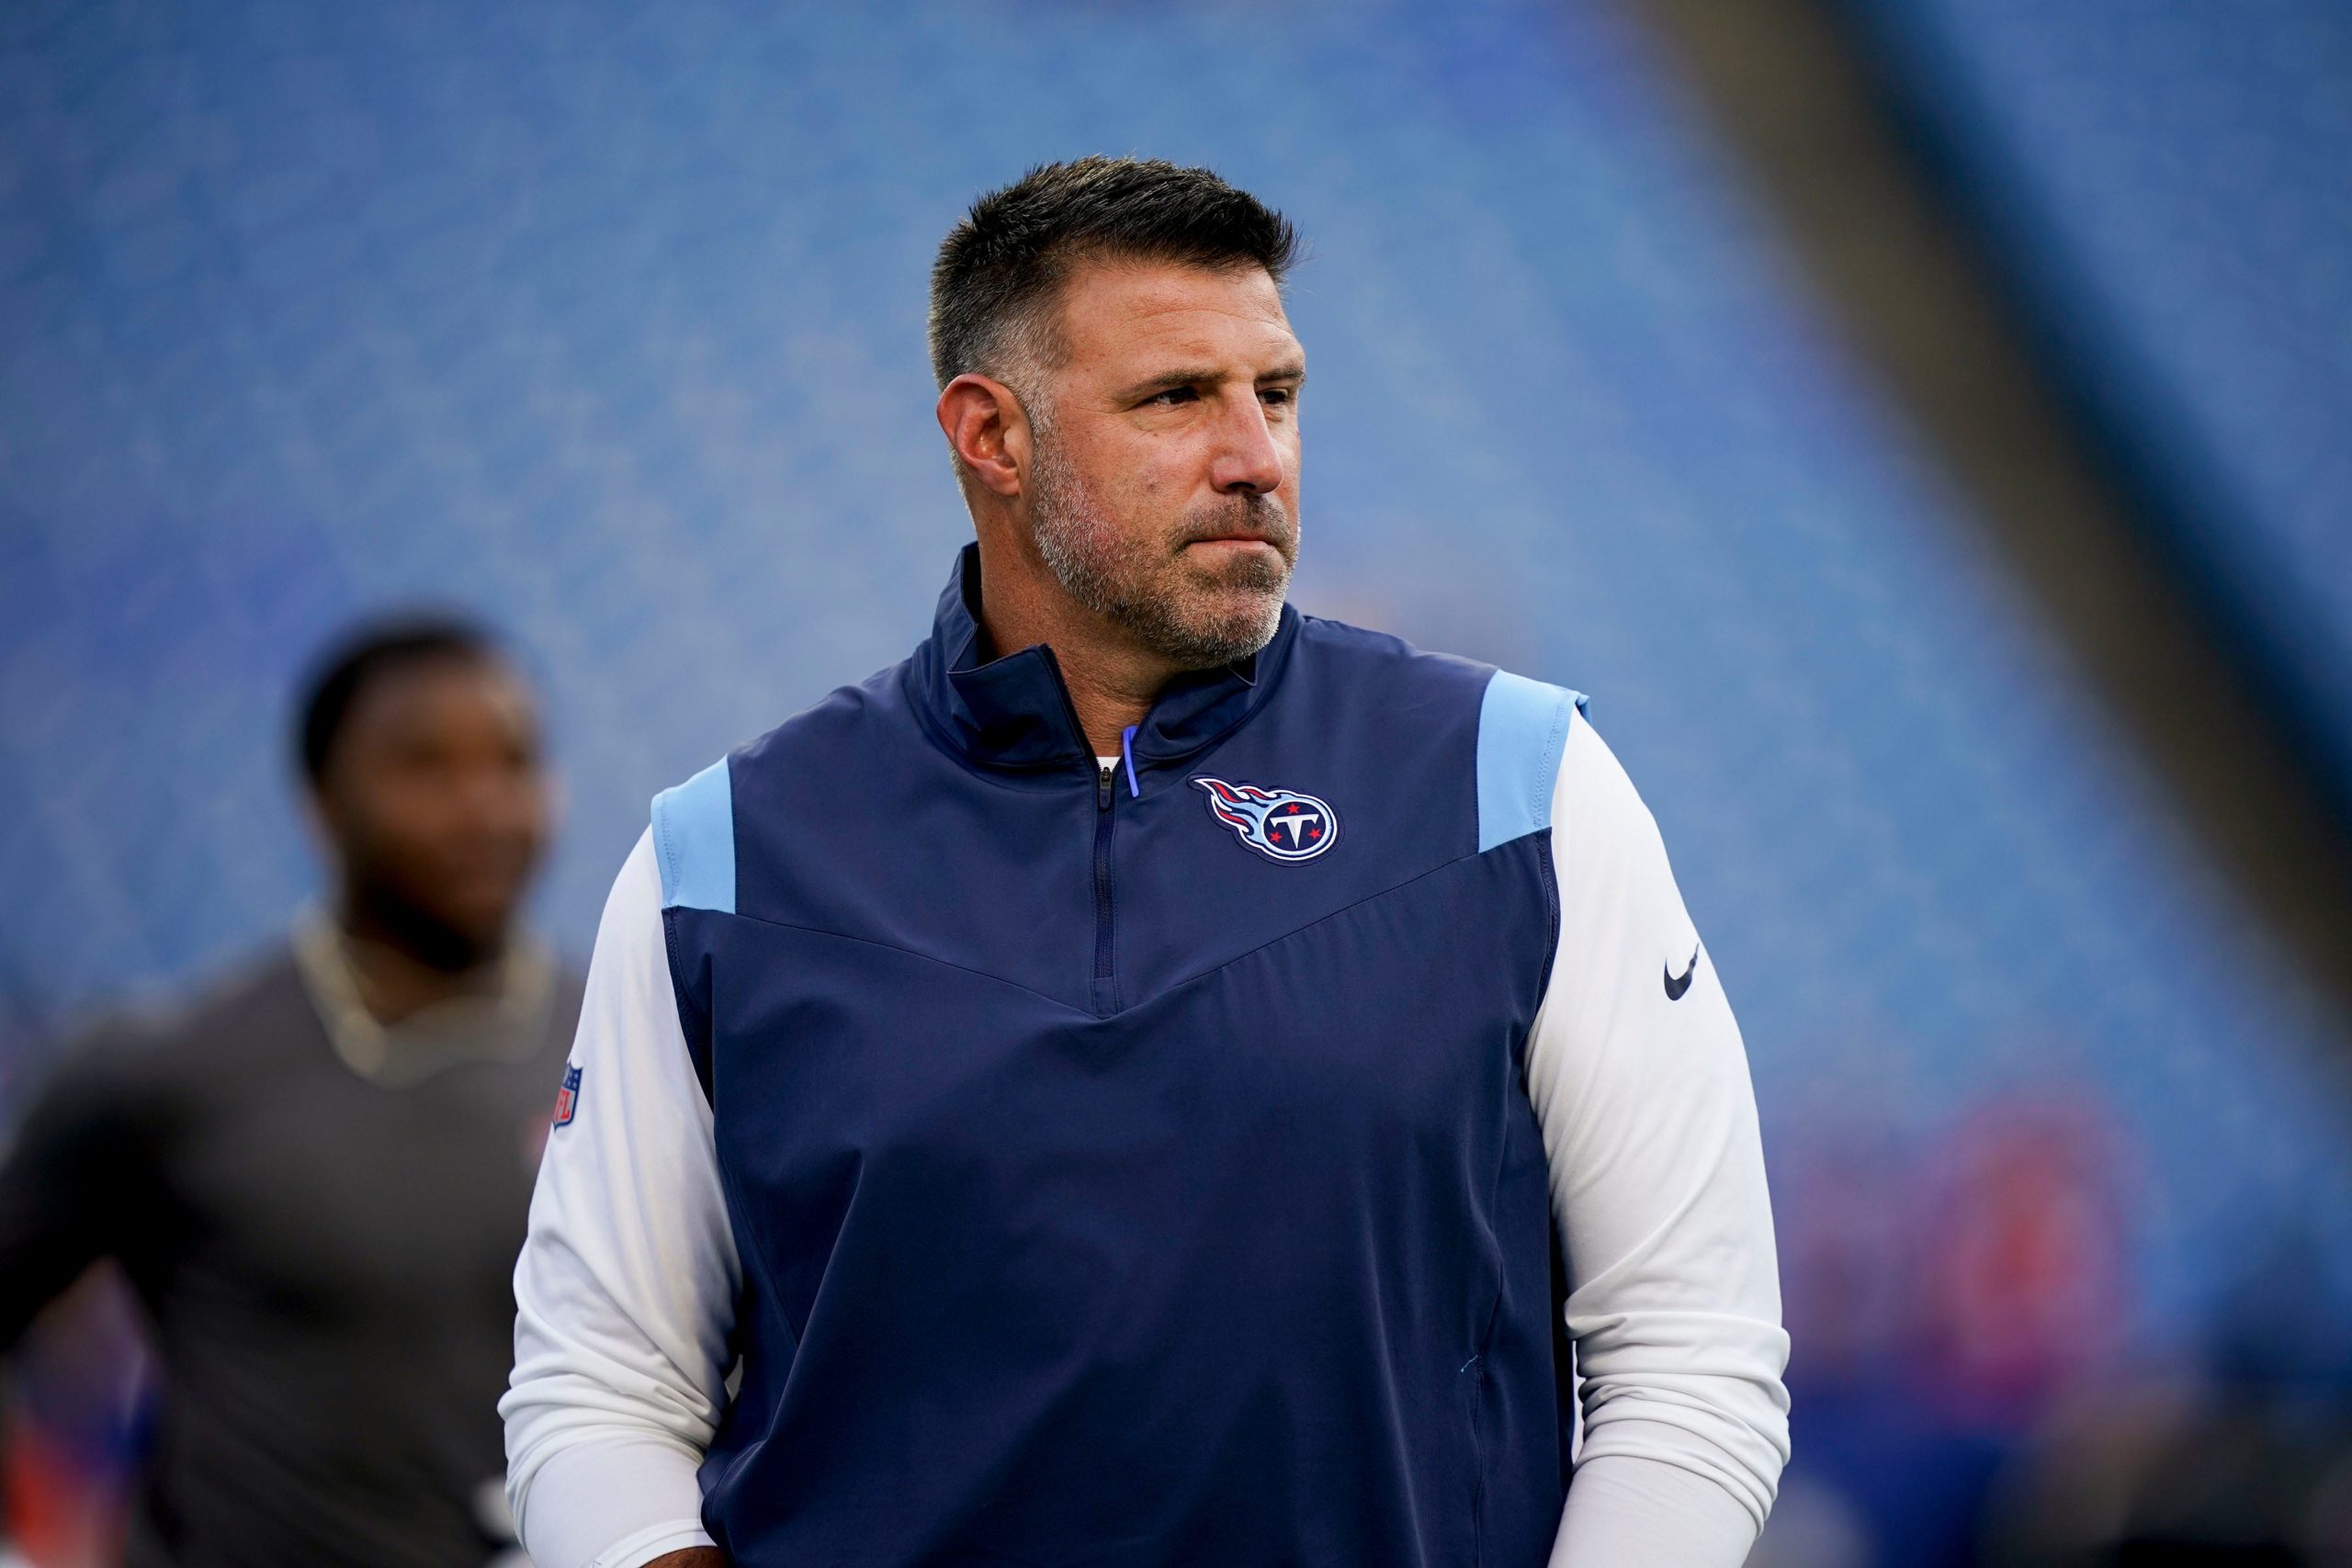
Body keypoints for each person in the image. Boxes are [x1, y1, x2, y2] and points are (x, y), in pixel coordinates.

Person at [504, 158, 1789, 1568]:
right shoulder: (726, 858)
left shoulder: (1523, 791)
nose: (1257, 455)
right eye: (1177, 397)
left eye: (1277, 393)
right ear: (991, 433)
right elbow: (598, 1391)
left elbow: (1693, 1355)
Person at [0, 615, 582, 1567]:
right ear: (321, 801)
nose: (481, 808)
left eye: (513, 764)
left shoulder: (623, 1054)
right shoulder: (174, 1067)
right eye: (424, 767)